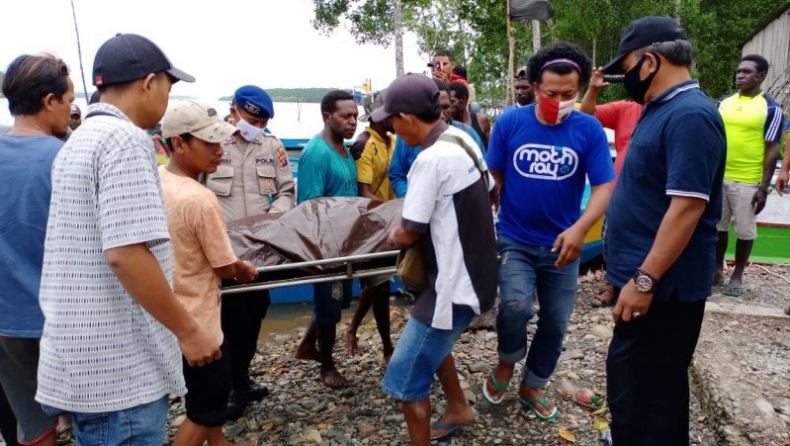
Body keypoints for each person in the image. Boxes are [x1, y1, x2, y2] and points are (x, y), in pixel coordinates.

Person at [37, 33, 221, 446]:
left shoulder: (75, 141)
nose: (166, 99)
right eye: (169, 89)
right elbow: (125, 253)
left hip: (81, 361)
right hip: (118, 371)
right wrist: (189, 331)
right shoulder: (126, 140)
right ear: (149, 82)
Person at [601, 17, 726, 445]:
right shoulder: (664, 109)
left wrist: (645, 279)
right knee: (646, 390)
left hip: (663, 289)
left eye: (628, 65)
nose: (624, 77)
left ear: (650, 61)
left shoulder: (691, 115)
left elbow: (688, 207)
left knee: (643, 393)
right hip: (647, 284)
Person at [482, 42, 615, 421]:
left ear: (579, 91)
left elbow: (604, 185)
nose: (559, 101)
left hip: (564, 245)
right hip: (516, 238)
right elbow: (496, 174)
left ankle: (533, 384)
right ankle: (507, 362)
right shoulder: (510, 122)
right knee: (514, 306)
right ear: (535, 87)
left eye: (569, 95)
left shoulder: (587, 128)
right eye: (551, 93)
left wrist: (580, 229)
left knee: (555, 322)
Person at [377, 73, 497, 446]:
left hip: (452, 284)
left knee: (405, 375)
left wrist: (386, 234)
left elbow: (408, 231)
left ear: (407, 118)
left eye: (392, 121)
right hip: (480, 271)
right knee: (432, 345)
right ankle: (458, 406)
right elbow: (491, 188)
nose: (394, 129)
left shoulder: (430, 159)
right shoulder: (461, 137)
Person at [159, 100, 259, 446]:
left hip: (165, 315)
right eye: (210, 143)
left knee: (207, 403)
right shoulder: (200, 199)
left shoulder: (157, 180)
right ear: (178, 143)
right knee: (205, 410)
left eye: (221, 142)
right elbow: (224, 265)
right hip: (199, 324)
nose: (220, 151)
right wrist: (244, 269)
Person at [204, 85, 295, 420]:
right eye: (251, 117)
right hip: (222, 250)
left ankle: (242, 376)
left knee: (256, 313)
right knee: (227, 320)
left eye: (262, 121)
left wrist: (274, 217)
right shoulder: (212, 144)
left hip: (259, 250)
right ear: (234, 110)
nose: (255, 125)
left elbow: (287, 189)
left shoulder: (271, 146)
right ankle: (229, 385)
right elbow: (195, 189)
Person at [0, 53, 74, 446]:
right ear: (49, 101)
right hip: (58, 319)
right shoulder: (65, 158)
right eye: (68, 101)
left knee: (32, 425)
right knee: (88, 414)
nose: (69, 111)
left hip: (3, 320)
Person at [293, 90, 359, 389]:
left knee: (339, 300)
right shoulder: (317, 153)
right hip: (327, 246)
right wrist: (321, 254)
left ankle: (307, 346)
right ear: (327, 116)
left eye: (356, 116)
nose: (353, 122)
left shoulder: (344, 151)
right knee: (329, 304)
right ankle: (327, 367)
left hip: (347, 243)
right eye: (346, 116)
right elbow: (309, 207)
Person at [714, 54, 783, 297]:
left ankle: (738, 273)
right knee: (718, 227)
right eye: (738, 71)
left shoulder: (772, 109)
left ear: (761, 76)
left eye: (746, 72)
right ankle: (716, 270)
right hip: (718, 177)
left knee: (744, 230)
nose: (739, 75)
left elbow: (772, 148)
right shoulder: (722, 103)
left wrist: (764, 187)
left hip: (748, 181)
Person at [580, 67, 645, 307]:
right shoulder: (624, 108)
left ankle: (640, 286)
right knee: (611, 238)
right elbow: (587, 115)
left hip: (651, 192)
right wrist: (594, 88)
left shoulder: (668, 111)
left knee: (644, 240)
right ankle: (613, 285)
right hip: (619, 189)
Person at [345, 92, 396, 362]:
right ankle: (387, 347)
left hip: (389, 221)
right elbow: (363, 192)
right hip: (372, 223)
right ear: (378, 116)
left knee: (380, 283)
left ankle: (353, 329)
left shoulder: (391, 141)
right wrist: (396, 212)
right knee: (380, 285)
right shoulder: (364, 144)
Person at [387, 79, 485, 198]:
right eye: (435, 108)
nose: (440, 114)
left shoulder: (468, 135)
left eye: (445, 107)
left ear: (451, 105)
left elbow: (483, 176)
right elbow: (397, 175)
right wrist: (411, 198)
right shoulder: (407, 138)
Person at [448, 82, 491, 149]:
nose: (449, 106)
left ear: (463, 100)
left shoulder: (481, 120)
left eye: (452, 102)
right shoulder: (447, 125)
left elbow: (490, 150)